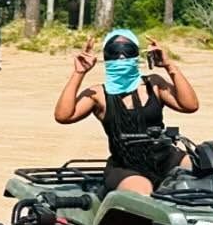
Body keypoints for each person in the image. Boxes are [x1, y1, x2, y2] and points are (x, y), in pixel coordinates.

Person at [52, 29, 200, 193]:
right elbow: (63, 115)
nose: (121, 57)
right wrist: (79, 73)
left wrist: (170, 66)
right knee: (142, 190)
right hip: (125, 166)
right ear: (106, 56)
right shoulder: (98, 94)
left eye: (127, 50)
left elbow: (190, 105)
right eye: (114, 51)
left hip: (165, 157)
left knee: (204, 167)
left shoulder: (154, 84)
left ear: (136, 54)